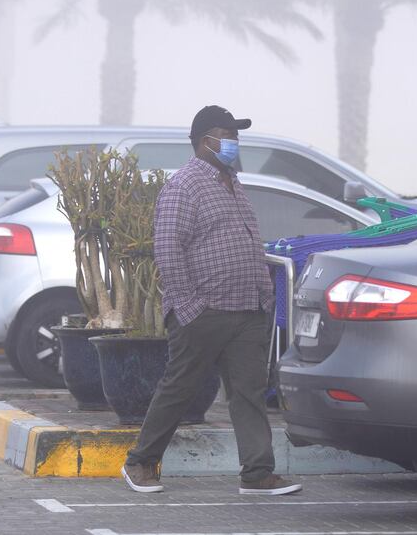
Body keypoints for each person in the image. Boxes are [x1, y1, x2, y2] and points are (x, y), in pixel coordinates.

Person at [121, 105, 302, 496]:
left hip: (247, 308)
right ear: (205, 140)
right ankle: (140, 462)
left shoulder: (232, 182)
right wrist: (188, 307)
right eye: (227, 135)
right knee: (179, 388)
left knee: (248, 393)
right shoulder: (184, 185)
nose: (234, 142)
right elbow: (168, 248)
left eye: (236, 136)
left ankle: (257, 474)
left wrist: (264, 297)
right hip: (204, 310)